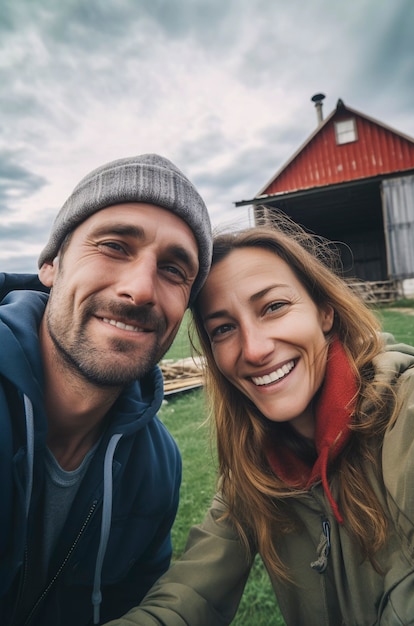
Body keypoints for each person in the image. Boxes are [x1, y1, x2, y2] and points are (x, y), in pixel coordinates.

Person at [104, 221, 414, 626]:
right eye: (224, 328)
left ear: (325, 312)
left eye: (274, 307)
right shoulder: (254, 472)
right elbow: (190, 596)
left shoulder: (404, 415)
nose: (254, 349)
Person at [0, 153, 212, 626]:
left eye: (175, 269)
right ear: (51, 265)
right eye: (115, 246)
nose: (140, 289)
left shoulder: (158, 467)